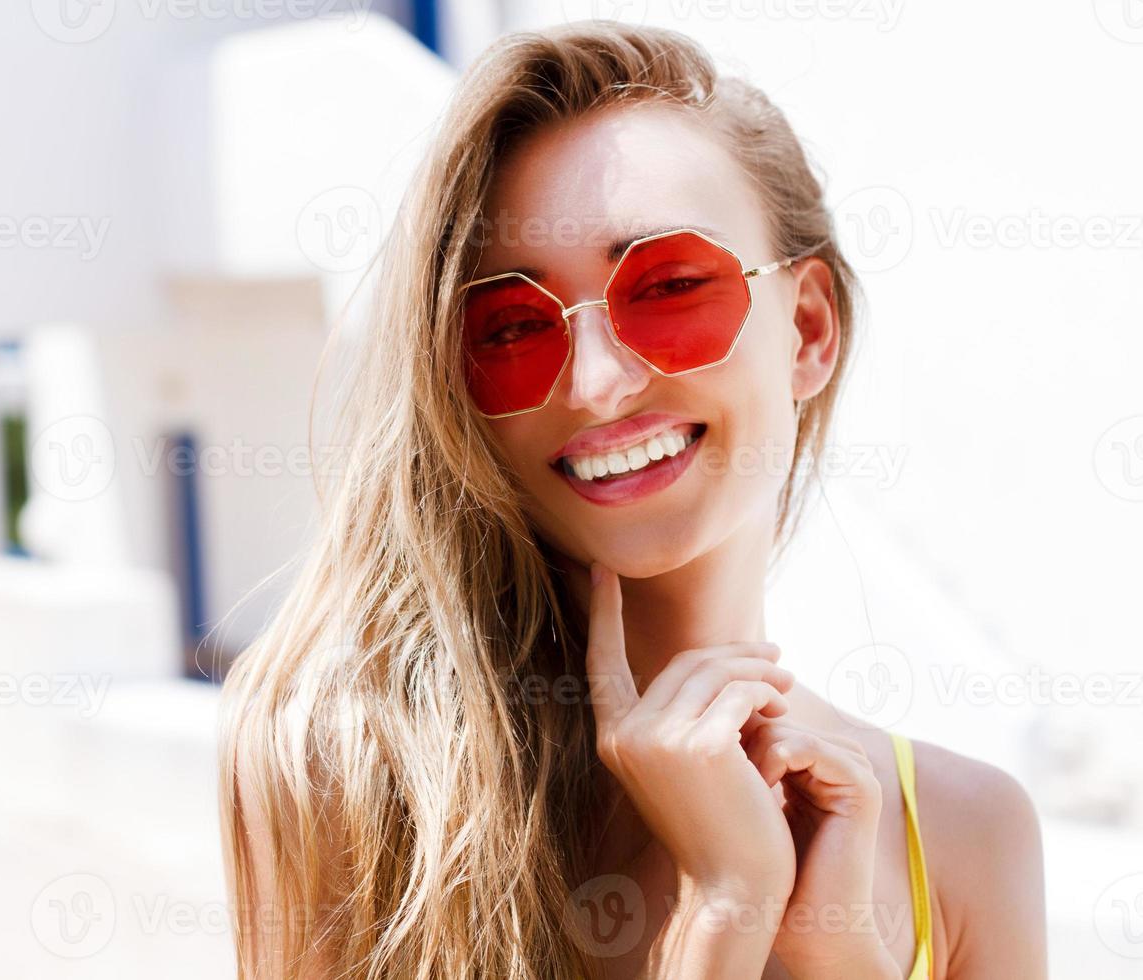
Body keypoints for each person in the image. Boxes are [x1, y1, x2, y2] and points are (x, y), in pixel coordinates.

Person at [217, 19, 1046, 979]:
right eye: (513, 326)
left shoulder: (963, 831)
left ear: (809, 328)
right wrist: (725, 913)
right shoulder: (349, 762)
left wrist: (838, 956)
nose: (598, 381)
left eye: (671, 287)